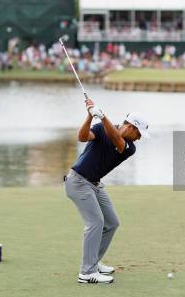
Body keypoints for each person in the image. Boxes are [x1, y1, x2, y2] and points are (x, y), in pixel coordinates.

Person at [64, 98, 149, 284]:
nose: (139, 138)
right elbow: (82, 137)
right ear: (132, 127)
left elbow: (117, 141)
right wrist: (89, 116)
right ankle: (86, 273)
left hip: (95, 184)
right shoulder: (102, 128)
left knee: (111, 223)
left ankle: (93, 262)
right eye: (139, 133)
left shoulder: (129, 147)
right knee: (95, 222)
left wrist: (102, 116)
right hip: (78, 181)